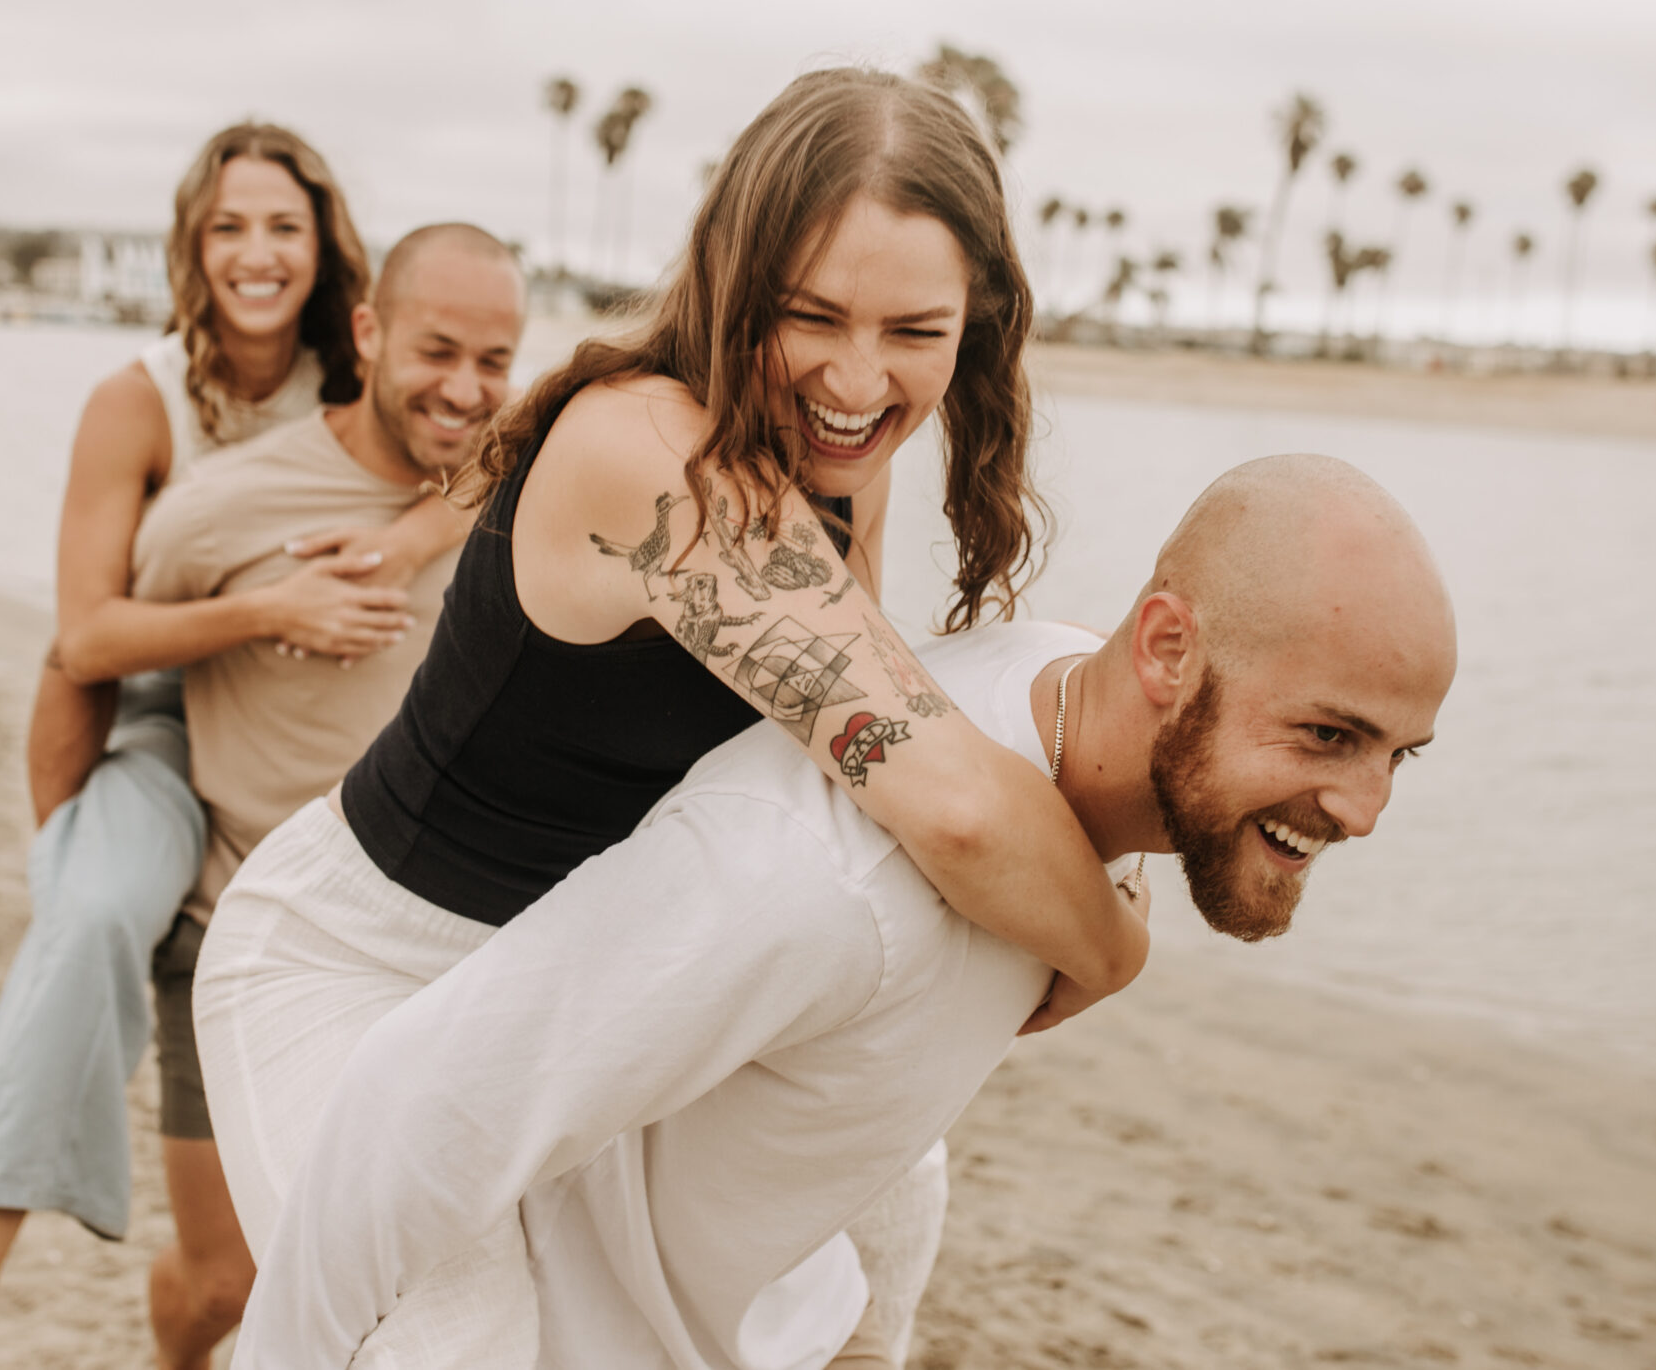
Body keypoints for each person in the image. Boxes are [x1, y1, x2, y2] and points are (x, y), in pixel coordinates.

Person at [195, 68, 1148, 1359]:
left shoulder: (839, 474)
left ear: (976, 324)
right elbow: (956, 806)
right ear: (732, 278)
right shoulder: (651, 453)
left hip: (595, 984)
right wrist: (1111, 946)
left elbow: (859, 785)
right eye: (811, 315)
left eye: (914, 331)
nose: (858, 381)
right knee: (457, 1334)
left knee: (886, 1201)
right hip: (361, 964)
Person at [235, 454, 1460, 1368]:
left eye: (1399, 755)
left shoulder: (1059, 684)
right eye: (1326, 735)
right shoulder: (815, 883)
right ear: (1165, 651)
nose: (1361, 809)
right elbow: (413, 1107)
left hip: (762, 1312)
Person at [0, 126, 465, 1370]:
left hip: (320, 753)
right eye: (228, 228)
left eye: (282, 227)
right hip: (162, 708)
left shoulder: (366, 380)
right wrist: (273, 608)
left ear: (327, 255)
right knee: (95, 910)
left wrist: (416, 544)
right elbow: (87, 634)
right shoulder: (138, 400)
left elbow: (503, 439)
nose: (256, 254)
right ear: (190, 248)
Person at [123, 222, 527, 1366]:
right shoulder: (222, 505)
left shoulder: (522, 491)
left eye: (493, 363)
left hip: (440, 952)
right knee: (225, 1284)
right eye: (436, 351)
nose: (464, 390)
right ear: (367, 331)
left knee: (404, 1285)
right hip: (236, 938)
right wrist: (84, 869)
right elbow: (106, 652)